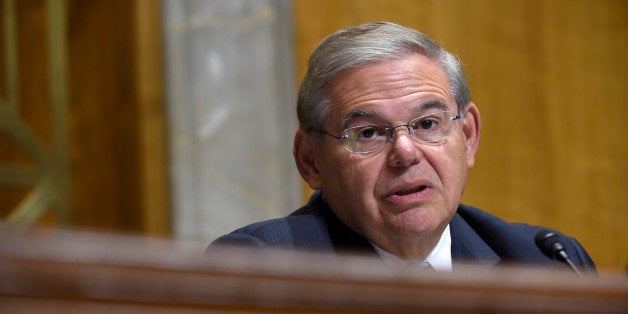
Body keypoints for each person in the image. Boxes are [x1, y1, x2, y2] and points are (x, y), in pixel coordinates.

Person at [210, 22, 595, 273]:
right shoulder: (262, 268)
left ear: (469, 136)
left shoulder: (546, 261)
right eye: (368, 134)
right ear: (310, 161)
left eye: (428, 124)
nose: (406, 153)